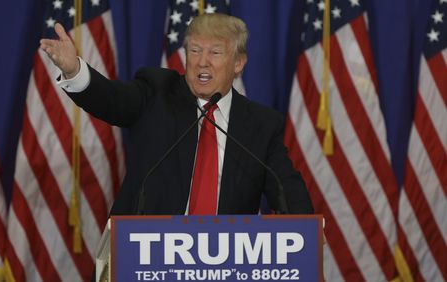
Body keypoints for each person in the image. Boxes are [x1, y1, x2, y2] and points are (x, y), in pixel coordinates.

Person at [40, 13, 313, 215]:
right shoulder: (156, 92)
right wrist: (75, 70)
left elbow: (286, 186)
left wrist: (306, 230)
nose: (202, 61)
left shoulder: (261, 124)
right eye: (194, 50)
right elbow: (112, 100)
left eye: (215, 52)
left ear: (238, 63)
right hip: (146, 260)